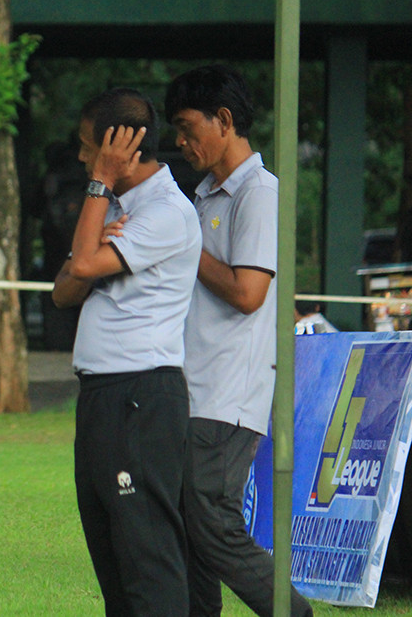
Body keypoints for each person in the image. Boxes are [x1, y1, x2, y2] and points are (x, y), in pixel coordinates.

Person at [165, 64, 313, 617]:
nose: (179, 143)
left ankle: (292, 612)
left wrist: (183, 245)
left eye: (186, 127)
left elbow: (249, 292)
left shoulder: (260, 191)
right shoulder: (203, 195)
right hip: (189, 388)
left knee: (210, 522)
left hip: (228, 394)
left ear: (223, 121)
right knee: (188, 526)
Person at [51, 87, 201, 615]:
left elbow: (85, 268)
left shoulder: (167, 211)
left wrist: (99, 187)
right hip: (100, 396)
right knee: (110, 551)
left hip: (141, 394)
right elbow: (64, 290)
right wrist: (95, 223)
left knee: (146, 553)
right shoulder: (111, 208)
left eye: (89, 147)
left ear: (120, 149)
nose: (81, 157)